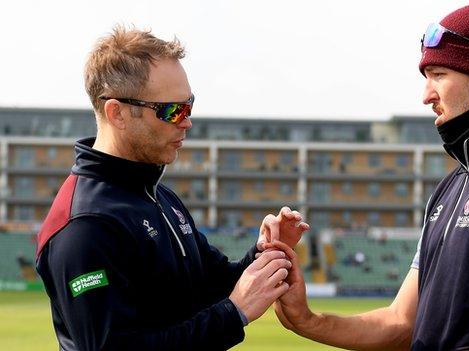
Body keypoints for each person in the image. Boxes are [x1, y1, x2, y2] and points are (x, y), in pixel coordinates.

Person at [272, 0, 469, 350]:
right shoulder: (450, 187)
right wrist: (307, 320)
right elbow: (401, 323)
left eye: (439, 75)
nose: (426, 95)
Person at [35, 26, 309, 351]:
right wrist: (233, 315)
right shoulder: (85, 225)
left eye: (189, 105)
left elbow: (214, 285)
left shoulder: (160, 197)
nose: (187, 121)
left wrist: (265, 252)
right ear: (117, 113)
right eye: (172, 110)